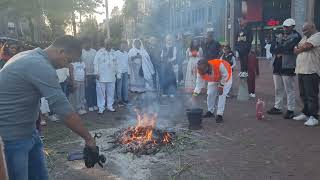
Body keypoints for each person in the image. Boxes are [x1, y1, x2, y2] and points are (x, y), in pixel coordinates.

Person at [0, 35, 97, 180]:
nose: (66, 65)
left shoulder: (27, 55)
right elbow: (64, 111)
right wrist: (89, 139)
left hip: (30, 132)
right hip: (11, 137)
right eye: (68, 60)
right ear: (61, 52)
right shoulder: (39, 65)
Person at [267, 18, 302, 119]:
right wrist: (281, 49)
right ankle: (278, 107)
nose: (285, 28)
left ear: (292, 27)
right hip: (277, 64)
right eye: (284, 26)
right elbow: (272, 48)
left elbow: (290, 48)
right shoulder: (278, 34)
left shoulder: (296, 36)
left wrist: (280, 48)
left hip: (288, 65)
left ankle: (290, 109)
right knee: (278, 88)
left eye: (287, 27)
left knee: (289, 89)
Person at [293, 22, 320, 126]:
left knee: (311, 95)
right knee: (303, 94)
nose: (304, 32)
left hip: (311, 70)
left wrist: (300, 48)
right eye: (303, 30)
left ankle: (314, 117)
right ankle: (306, 113)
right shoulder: (305, 37)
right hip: (301, 70)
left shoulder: (317, 36)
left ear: (313, 27)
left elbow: (307, 47)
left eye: (306, 30)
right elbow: (295, 49)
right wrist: (300, 48)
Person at [193, 30, 221, 96]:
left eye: (207, 37)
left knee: (212, 80)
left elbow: (220, 52)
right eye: (205, 37)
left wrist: (217, 60)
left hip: (213, 63)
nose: (205, 38)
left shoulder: (216, 43)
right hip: (205, 63)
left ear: (211, 37)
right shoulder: (204, 43)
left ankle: (211, 93)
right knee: (199, 77)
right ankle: (196, 92)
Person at [94, 39, 118, 113]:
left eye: (110, 44)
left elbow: (117, 64)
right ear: (104, 44)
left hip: (111, 76)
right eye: (107, 44)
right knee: (101, 93)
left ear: (111, 45)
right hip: (101, 76)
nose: (108, 45)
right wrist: (96, 73)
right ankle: (101, 107)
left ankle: (110, 106)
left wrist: (117, 73)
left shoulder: (114, 53)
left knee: (111, 92)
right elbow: (95, 63)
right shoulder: (99, 52)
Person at [81, 39, 98, 112]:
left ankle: (95, 104)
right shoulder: (81, 52)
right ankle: (90, 105)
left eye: (88, 43)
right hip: (86, 75)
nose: (87, 44)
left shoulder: (94, 52)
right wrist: (84, 76)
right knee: (88, 90)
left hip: (94, 74)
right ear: (83, 44)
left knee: (94, 90)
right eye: (86, 43)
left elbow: (97, 63)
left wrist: (96, 73)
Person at [115, 40, 130, 106]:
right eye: (122, 45)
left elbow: (128, 64)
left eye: (125, 45)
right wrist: (116, 72)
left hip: (125, 72)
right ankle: (119, 101)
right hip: (119, 72)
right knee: (119, 87)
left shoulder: (126, 53)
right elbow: (114, 63)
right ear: (120, 45)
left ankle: (125, 99)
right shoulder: (116, 53)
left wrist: (128, 73)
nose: (123, 46)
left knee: (125, 86)